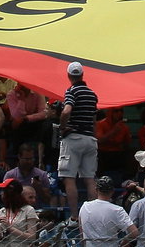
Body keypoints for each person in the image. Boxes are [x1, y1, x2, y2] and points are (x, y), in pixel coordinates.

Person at [57, 60, 99, 215]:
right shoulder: (92, 94)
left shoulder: (71, 91)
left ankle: (74, 216)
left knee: (69, 178)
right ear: (82, 74)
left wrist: (62, 127)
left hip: (73, 138)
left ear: (69, 75)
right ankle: (93, 215)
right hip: (89, 138)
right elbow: (94, 120)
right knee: (89, 179)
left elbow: (66, 111)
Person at [78, 176, 138, 247]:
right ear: (112, 191)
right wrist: (124, 242)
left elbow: (81, 232)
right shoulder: (117, 210)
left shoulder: (85, 206)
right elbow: (134, 233)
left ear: (96, 190)